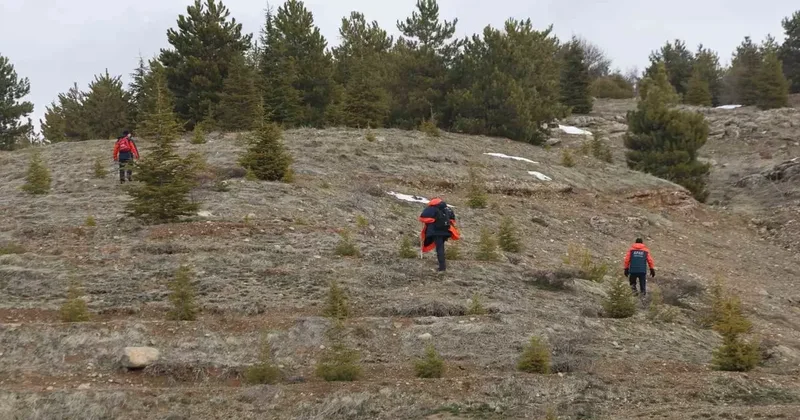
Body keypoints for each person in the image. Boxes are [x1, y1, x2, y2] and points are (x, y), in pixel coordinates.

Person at [419, 198, 460, 273]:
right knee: (441, 247)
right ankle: (442, 264)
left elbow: (422, 218)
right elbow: (452, 220)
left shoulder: (431, 209)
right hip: (446, 231)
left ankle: (442, 267)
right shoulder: (447, 209)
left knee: (439, 248)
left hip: (436, 232)